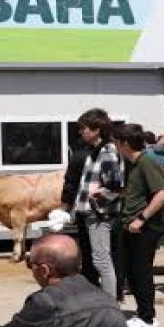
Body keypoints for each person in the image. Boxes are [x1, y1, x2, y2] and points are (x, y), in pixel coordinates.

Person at [115, 124, 164, 327]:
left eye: (117, 142)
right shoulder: (134, 164)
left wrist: (141, 218)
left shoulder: (147, 162)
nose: (116, 147)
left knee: (141, 272)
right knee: (131, 271)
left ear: (125, 143)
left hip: (145, 228)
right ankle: (143, 314)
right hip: (130, 225)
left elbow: (162, 194)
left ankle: (148, 318)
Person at [65, 109, 123, 299]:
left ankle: (110, 303)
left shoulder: (107, 152)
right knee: (98, 260)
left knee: (102, 261)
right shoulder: (95, 152)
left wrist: (97, 203)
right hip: (90, 215)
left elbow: (115, 187)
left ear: (97, 130)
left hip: (98, 216)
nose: (81, 132)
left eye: (84, 129)